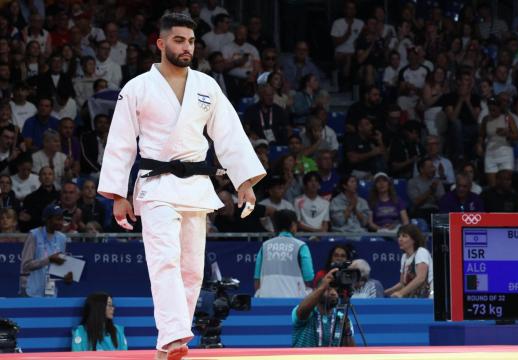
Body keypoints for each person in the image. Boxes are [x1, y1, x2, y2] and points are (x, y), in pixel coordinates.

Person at [96, 14, 265, 360]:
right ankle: (174, 334)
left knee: (192, 269)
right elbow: (121, 143)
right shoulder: (138, 87)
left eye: (190, 41)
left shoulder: (207, 86)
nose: (186, 47)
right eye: (179, 41)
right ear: (161, 43)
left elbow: (229, 134)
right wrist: (117, 194)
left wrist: (244, 181)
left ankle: (170, 342)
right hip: (156, 185)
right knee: (165, 261)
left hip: (196, 186)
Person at [254, 210, 314, 298]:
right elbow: (309, 276)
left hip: (266, 300)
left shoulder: (264, 246)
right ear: (293, 225)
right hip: (294, 302)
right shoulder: (301, 246)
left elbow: (257, 279)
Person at [292, 268, 356, 347]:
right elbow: (301, 313)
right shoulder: (308, 311)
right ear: (317, 290)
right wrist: (323, 287)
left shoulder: (342, 318)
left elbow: (351, 353)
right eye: (328, 289)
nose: (333, 293)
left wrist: (347, 332)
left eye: (336, 290)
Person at [19, 203, 72, 297]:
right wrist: (48, 260)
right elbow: (25, 266)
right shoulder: (34, 235)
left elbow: (59, 267)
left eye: (62, 219)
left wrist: (66, 276)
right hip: (31, 291)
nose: (61, 222)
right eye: (58, 219)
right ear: (47, 220)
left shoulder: (62, 238)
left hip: (50, 291)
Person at [384, 224, 433, 298]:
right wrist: (385, 292)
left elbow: (421, 278)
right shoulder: (404, 257)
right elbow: (402, 283)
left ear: (414, 240)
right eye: (399, 236)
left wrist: (401, 293)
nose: (400, 239)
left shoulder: (421, 252)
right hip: (415, 297)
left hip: (429, 296)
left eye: (404, 236)